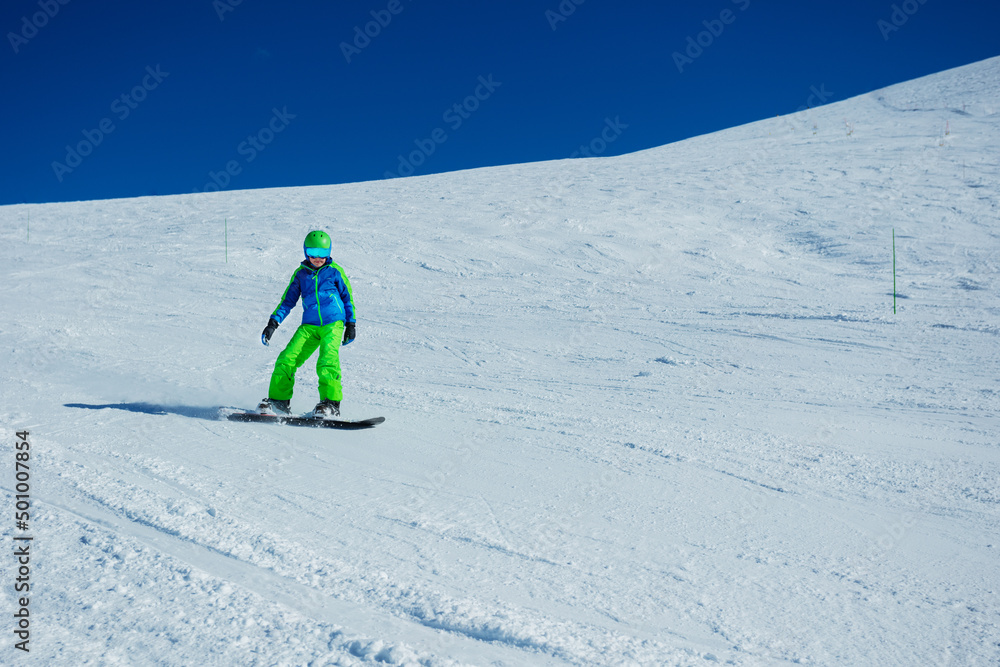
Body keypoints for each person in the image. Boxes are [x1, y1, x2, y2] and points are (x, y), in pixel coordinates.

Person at [257, 230, 356, 418]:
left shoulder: (335, 271)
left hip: (333, 323)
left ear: (329, 252)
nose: (317, 258)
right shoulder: (301, 274)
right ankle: (279, 402)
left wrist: (351, 324)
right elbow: (287, 301)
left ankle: (331, 404)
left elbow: (347, 298)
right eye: (312, 252)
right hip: (309, 325)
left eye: (322, 253)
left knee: (327, 360)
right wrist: (273, 323)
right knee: (287, 358)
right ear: (305, 251)